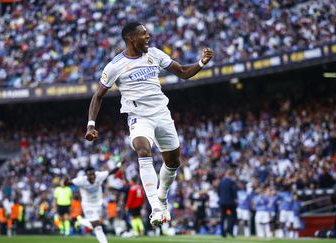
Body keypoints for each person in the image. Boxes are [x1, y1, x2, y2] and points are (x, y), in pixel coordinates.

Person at [84, 21, 214, 227]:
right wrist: (91, 124)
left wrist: (201, 63)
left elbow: (182, 72)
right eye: (143, 34)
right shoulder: (115, 65)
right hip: (138, 117)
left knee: (173, 162)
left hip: (162, 114)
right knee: (143, 150)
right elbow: (98, 96)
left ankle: (162, 198)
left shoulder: (154, 54)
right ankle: (155, 207)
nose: (148, 37)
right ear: (130, 39)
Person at [66, 163, 123, 243]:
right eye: (90, 175)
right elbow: (68, 183)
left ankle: (81, 221)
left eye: (93, 174)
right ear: (86, 175)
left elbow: (111, 172)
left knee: (97, 227)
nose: (92, 176)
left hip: (98, 204)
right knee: (97, 224)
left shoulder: (99, 176)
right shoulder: (81, 180)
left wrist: (120, 164)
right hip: (87, 205)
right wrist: (65, 181)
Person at [217, 170, 238, 237]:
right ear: (231, 175)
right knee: (233, 216)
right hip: (230, 202)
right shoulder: (232, 182)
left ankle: (223, 233)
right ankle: (229, 230)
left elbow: (218, 192)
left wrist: (221, 198)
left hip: (222, 202)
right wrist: (235, 199)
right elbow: (234, 192)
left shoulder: (221, 182)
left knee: (223, 218)